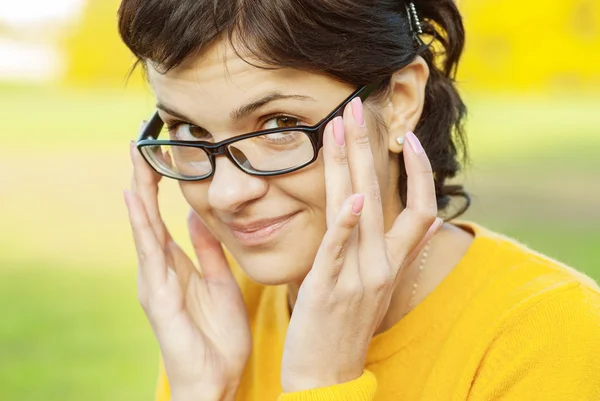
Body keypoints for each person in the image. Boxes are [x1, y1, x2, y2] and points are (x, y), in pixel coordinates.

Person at [118, 1, 600, 400]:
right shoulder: (222, 318)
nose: (225, 193)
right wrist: (202, 393)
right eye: (189, 130)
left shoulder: (551, 336)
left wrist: (321, 386)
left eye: (280, 125)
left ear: (401, 101)